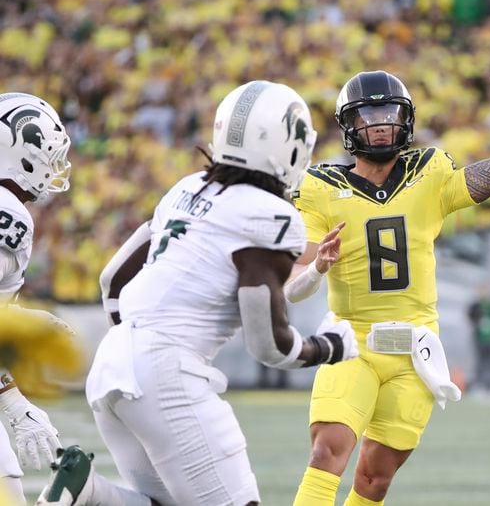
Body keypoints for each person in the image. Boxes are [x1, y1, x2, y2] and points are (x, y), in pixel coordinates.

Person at [37, 81, 359, 506]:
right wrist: (329, 347)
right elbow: (268, 345)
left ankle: (88, 493)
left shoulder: (187, 189)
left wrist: (138, 346)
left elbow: (112, 280)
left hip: (113, 362)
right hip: (167, 371)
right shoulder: (273, 217)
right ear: (289, 148)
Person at [289, 70, 490, 505]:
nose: (380, 125)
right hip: (350, 339)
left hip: (414, 349)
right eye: (368, 115)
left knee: (374, 481)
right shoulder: (321, 187)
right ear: (349, 125)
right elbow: (294, 287)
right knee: (327, 450)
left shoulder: (429, 172)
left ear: (405, 119)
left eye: (388, 113)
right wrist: (317, 268)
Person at [0, 92, 72, 504]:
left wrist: (21, 320)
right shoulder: (8, 214)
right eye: (48, 154)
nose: (54, 167)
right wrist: (12, 403)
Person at [467, 282, 490, 393]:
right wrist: (477, 322)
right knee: (480, 361)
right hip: (479, 337)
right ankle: (480, 383)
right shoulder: (476, 305)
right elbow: (470, 316)